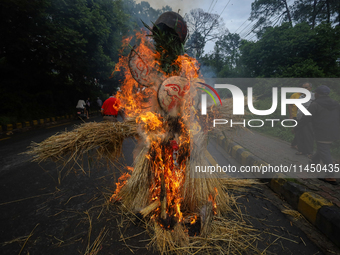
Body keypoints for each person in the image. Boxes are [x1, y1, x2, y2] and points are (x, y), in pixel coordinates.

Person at [295, 85, 340, 185]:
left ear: (317, 94)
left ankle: (330, 176)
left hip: (322, 131)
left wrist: (296, 127)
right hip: (335, 131)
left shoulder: (315, 104)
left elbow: (306, 118)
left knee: (324, 150)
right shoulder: (336, 104)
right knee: (323, 147)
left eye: (315, 93)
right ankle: (313, 162)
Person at [295, 83, 315, 157]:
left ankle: (309, 152)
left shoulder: (313, 96)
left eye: (306, 87)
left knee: (308, 136)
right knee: (300, 135)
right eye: (303, 88)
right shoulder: (301, 97)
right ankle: (301, 150)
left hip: (308, 120)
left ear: (310, 88)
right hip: (300, 119)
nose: (304, 89)